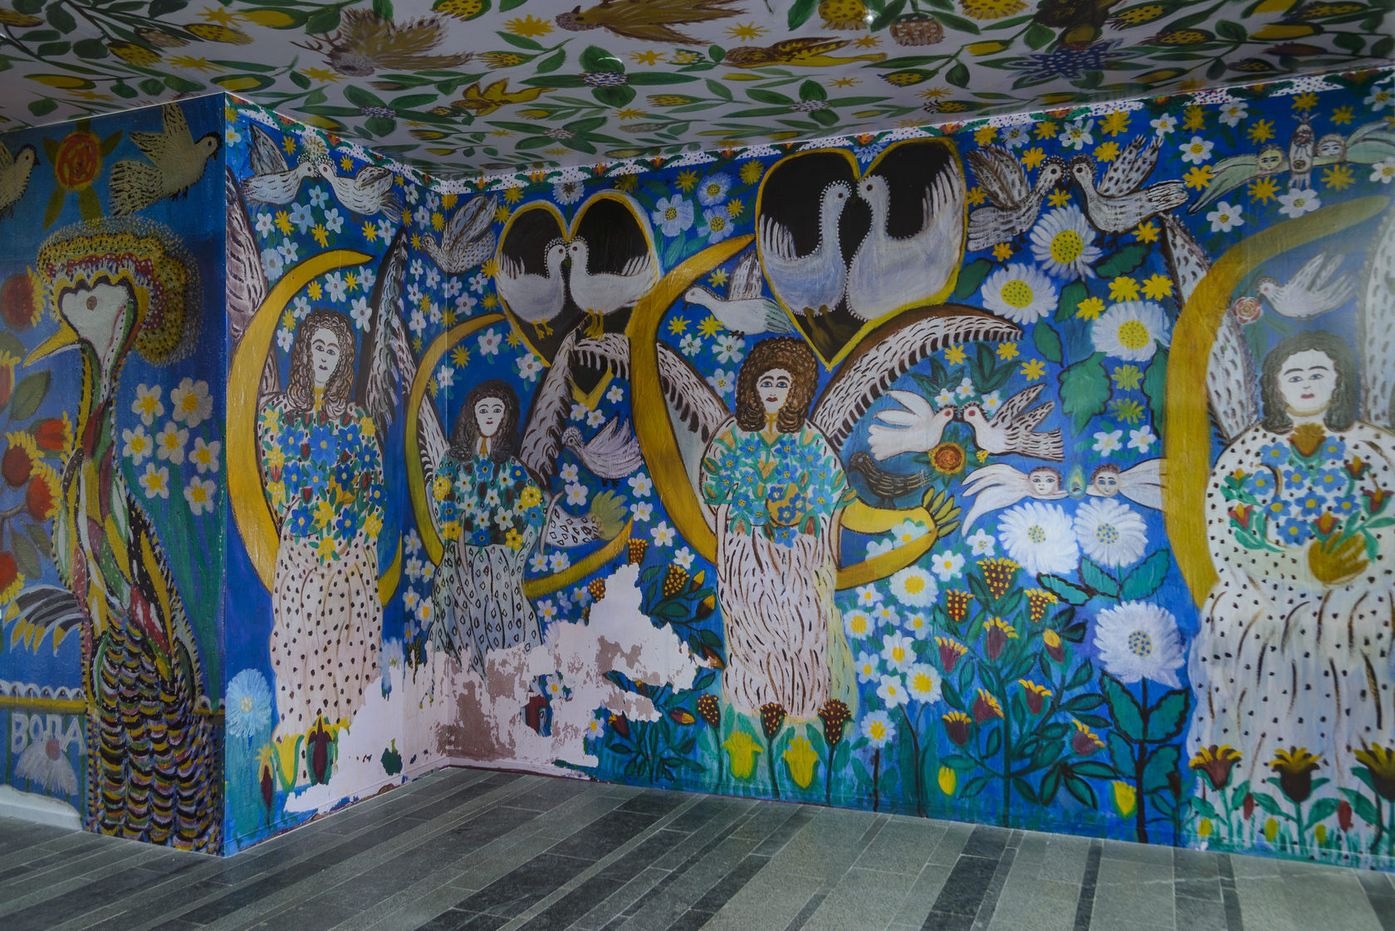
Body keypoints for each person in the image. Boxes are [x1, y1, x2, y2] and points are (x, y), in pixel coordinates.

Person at [1189, 329, 1395, 788]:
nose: (1305, 384)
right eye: (1294, 375)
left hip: (1359, 587)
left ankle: (1349, 778)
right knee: (1231, 617)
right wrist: (1300, 569)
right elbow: (1225, 542)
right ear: (1275, 386)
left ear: (1339, 380)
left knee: (1349, 622)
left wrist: (1345, 574)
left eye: (1318, 373)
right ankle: (1255, 781)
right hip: (1265, 588)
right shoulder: (1246, 454)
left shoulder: (1376, 448)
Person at [258, 310, 385, 784]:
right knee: (297, 645)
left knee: (345, 651)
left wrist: (360, 534)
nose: (325, 357)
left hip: (349, 558)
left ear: (344, 358)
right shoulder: (276, 414)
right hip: (301, 553)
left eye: (334, 349)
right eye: (319, 346)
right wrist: (300, 521)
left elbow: (374, 486)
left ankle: (344, 755)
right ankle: (299, 752)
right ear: (304, 351)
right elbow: (274, 481)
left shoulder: (357, 420)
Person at [700, 338, 855, 719]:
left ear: (795, 390)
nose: (772, 390)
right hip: (746, 555)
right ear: (752, 387)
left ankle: (803, 709)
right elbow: (712, 491)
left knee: (801, 631)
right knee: (750, 631)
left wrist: (830, 554)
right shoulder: (732, 436)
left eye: (782, 383)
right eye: (765, 382)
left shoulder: (809, 439)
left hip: (797, 558)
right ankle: (751, 709)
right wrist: (730, 541)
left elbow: (835, 497)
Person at [430, 381, 546, 677]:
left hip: (500, 568)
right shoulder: (452, 463)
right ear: (473, 415)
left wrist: (516, 550)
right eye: (484, 410)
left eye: (497, 409)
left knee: (504, 634)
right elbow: (441, 501)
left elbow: (535, 509)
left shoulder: (511, 467)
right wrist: (455, 539)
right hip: (461, 563)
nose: (491, 416)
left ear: (506, 416)